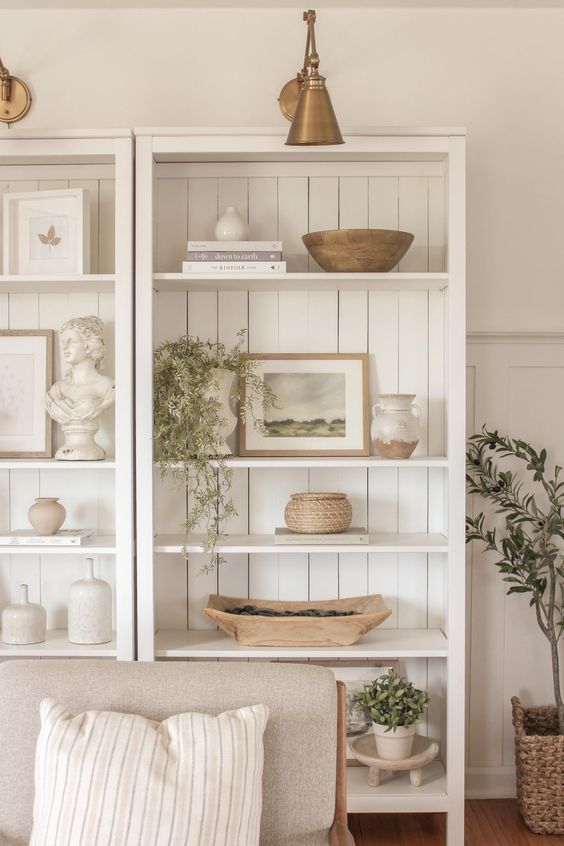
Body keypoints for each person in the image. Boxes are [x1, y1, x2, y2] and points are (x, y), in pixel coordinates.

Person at [45, 316, 114, 460]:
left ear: (88, 345)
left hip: (91, 449)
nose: (65, 347)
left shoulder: (108, 386)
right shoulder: (57, 389)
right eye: (63, 342)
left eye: (72, 342)